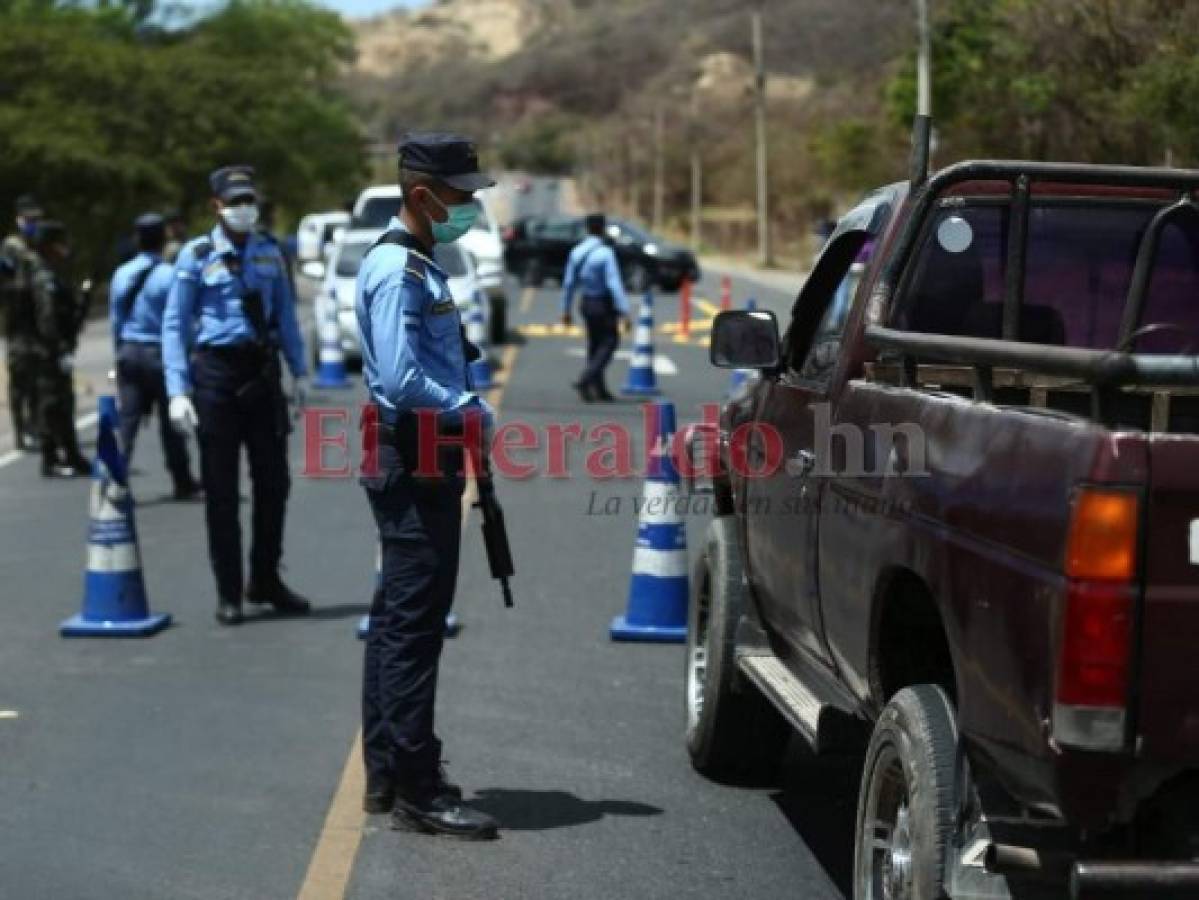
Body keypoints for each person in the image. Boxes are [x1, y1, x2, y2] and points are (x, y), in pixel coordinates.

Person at [355, 132, 498, 839]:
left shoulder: (418, 263)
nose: (470, 207)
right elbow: (399, 380)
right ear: (422, 195)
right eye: (462, 195)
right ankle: (417, 786)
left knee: (395, 623)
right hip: (414, 455)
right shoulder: (400, 273)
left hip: (420, 452)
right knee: (413, 628)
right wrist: (470, 408)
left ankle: (387, 773)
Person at [162, 166, 311, 626]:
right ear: (216, 206)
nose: (245, 209)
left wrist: (298, 372)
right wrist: (176, 389)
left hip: (262, 373)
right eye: (236, 202)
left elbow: (285, 315)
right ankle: (229, 590)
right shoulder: (195, 255)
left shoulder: (270, 252)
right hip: (216, 376)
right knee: (222, 489)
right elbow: (175, 324)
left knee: (274, 483)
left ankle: (264, 578)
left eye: (250, 201)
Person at [109, 212, 201, 499]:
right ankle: (182, 480)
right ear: (164, 239)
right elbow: (181, 322)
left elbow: (116, 321)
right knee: (171, 423)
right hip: (159, 355)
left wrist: (118, 354)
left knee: (128, 422)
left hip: (129, 352)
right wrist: (188, 355)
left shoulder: (122, 274)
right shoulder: (168, 275)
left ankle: (114, 481)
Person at [30, 220, 91, 477]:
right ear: (49, 247)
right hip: (48, 352)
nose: (64, 249)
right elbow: (47, 319)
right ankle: (51, 457)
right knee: (52, 403)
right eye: (59, 243)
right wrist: (59, 349)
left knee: (63, 402)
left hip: (55, 349)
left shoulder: (53, 274)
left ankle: (71, 454)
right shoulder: (45, 278)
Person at [559, 213, 630, 401]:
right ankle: (586, 378)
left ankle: (597, 389)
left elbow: (568, 284)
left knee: (594, 344)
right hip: (603, 303)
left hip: (586, 302)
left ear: (587, 228)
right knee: (609, 342)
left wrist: (565, 309)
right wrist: (624, 310)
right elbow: (614, 282)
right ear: (602, 228)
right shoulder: (606, 253)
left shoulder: (577, 251)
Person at [2, 195, 45, 452]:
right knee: (20, 380)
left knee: (40, 379)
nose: (33, 223)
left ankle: (36, 426)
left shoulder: (38, 244)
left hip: (37, 322)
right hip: (18, 324)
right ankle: (20, 431)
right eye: (29, 219)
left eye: (36, 219)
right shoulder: (11, 247)